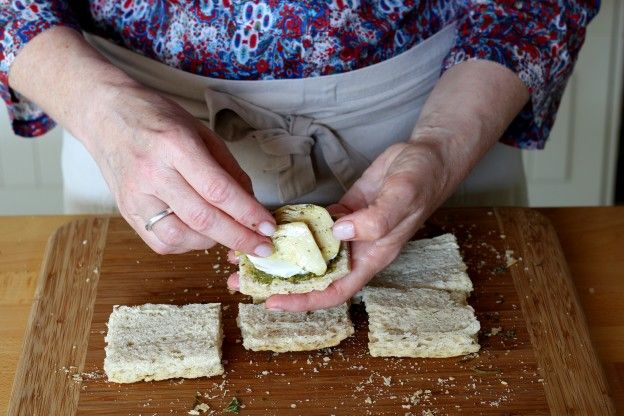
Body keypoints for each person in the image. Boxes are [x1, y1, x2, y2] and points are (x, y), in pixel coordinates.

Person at [1, 1, 599, 311]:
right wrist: (103, 112)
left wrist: (442, 147)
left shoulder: (447, 137)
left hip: (447, 109)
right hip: (126, 135)